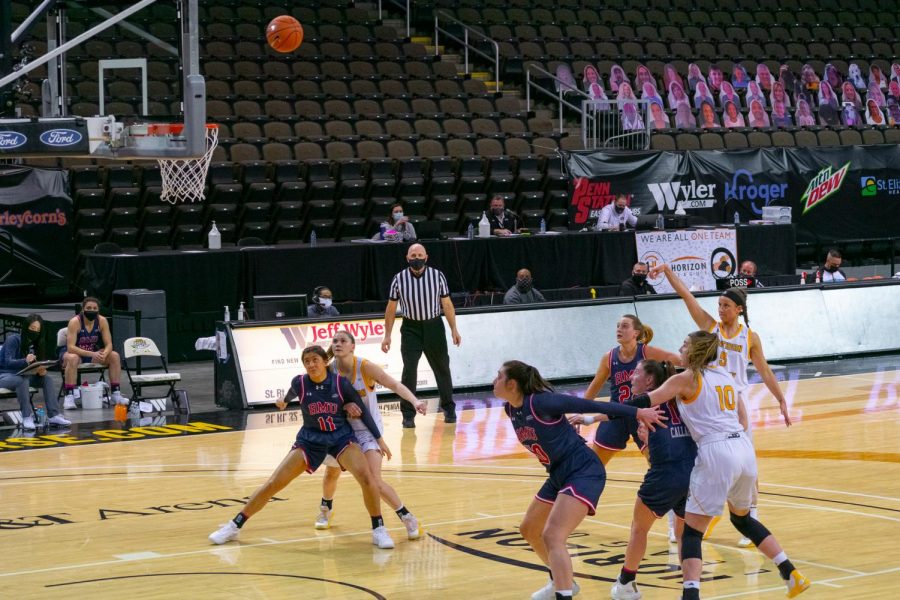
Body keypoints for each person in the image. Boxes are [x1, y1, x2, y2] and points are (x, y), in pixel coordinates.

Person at [623, 331, 810, 599]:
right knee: (743, 519)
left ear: (696, 352)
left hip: (716, 449)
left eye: (685, 345)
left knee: (691, 533)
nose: (680, 348)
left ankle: (691, 595)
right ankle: (790, 573)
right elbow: (744, 421)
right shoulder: (727, 376)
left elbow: (647, 400)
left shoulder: (686, 378)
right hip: (744, 448)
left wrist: (608, 412)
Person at [493, 359, 666, 600]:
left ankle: (563, 593)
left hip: (583, 469)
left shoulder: (541, 402)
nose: (494, 380)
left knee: (552, 535)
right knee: (530, 529)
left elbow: (586, 404)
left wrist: (637, 411)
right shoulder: (511, 409)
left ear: (512, 384)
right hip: (558, 473)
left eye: (499, 376)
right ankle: (561, 581)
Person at [650, 263, 792, 547]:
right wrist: (667, 273)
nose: (720, 309)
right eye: (719, 304)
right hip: (706, 401)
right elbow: (687, 298)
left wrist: (780, 399)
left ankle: (750, 515)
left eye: (726, 305)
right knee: (690, 460)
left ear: (739, 309)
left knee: (747, 466)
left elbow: (764, 369)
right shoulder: (710, 328)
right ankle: (675, 519)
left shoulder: (750, 337)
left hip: (735, 405)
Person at [208, 345, 397, 549]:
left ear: (325, 362)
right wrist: (284, 401)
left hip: (340, 438)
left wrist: (379, 440)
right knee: (273, 483)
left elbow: (364, 413)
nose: (311, 364)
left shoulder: (340, 384)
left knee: (366, 477)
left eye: (315, 359)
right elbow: (291, 393)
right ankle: (234, 526)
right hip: (310, 439)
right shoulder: (300, 382)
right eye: (307, 361)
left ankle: (378, 529)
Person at [314, 331, 427, 538]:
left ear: (352, 347)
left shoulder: (364, 367)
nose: (338, 344)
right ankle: (326, 508)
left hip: (368, 430)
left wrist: (415, 401)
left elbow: (395, 385)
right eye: (335, 341)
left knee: (374, 480)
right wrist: (344, 406)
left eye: (343, 341)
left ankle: (407, 517)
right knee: (331, 473)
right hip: (341, 432)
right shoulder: (328, 371)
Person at [609, 359, 697, 600]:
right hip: (693, 474)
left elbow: (616, 412)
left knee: (639, 529)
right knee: (685, 535)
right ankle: (690, 591)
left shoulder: (645, 408)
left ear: (649, 380)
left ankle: (627, 582)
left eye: (636, 373)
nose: (630, 377)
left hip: (665, 475)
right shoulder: (682, 400)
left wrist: (588, 418)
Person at [382, 243, 461, 427]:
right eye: (413, 255)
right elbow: (391, 309)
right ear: (407, 258)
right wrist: (387, 335)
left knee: (442, 368)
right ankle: (408, 414)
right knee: (409, 370)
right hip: (411, 328)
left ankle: (448, 408)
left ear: (426, 257)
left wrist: (454, 329)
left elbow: (447, 304)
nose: (416, 258)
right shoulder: (399, 278)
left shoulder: (437, 275)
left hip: (434, 326)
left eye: (419, 255)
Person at [0, 315, 70, 430]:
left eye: (38, 330)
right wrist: (25, 361)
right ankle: (27, 416)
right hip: (5, 376)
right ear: (26, 327)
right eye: (32, 328)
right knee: (20, 381)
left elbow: (32, 366)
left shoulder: (37, 344)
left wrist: (39, 370)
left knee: (47, 379)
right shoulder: (13, 339)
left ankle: (54, 415)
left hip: (24, 376)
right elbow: (8, 362)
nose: (35, 332)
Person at [61, 297, 126, 409]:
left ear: (98, 310)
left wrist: (105, 353)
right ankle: (69, 396)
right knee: (73, 358)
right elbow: (71, 347)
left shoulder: (102, 321)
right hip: (71, 353)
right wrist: (92, 354)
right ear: (83, 309)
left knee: (114, 356)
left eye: (94, 308)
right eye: (89, 308)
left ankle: (116, 394)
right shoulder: (75, 322)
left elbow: (109, 344)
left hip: (91, 352)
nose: (92, 310)